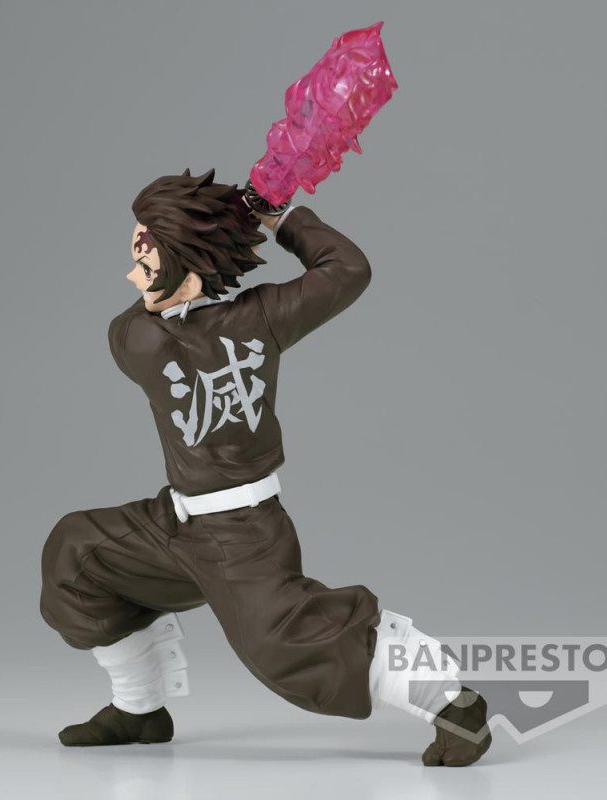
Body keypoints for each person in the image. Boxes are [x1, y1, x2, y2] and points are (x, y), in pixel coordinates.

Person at [39, 168, 491, 766]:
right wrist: (270, 218)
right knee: (79, 553)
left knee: (285, 648)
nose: (133, 275)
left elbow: (350, 272)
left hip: (243, 534)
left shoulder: (152, 336)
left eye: (145, 264)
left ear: (187, 272)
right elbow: (343, 268)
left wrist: (267, 218)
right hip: (175, 523)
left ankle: (452, 702)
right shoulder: (256, 319)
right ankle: (139, 709)